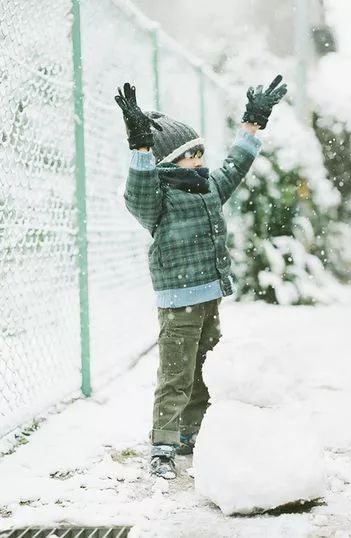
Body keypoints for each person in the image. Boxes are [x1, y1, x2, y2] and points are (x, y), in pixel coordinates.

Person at [115, 76, 287, 479]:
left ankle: (193, 433)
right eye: (189, 155)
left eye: (199, 151)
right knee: (176, 374)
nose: (198, 160)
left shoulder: (207, 186)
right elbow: (138, 189)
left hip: (210, 296)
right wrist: (140, 147)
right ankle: (162, 444)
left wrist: (252, 125)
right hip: (178, 302)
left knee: (204, 367)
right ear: (166, 161)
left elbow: (234, 166)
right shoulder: (155, 198)